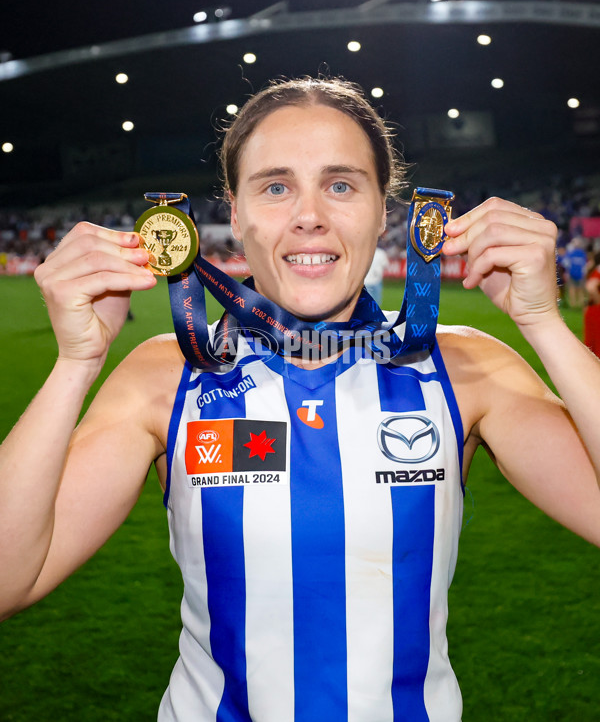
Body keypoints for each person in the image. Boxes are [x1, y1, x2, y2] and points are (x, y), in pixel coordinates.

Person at [1, 76, 599, 722]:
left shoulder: (462, 367)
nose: (309, 215)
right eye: (276, 186)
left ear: (383, 210)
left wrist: (544, 325)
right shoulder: (167, 377)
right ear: (234, 212)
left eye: (341, 185)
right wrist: (75, 363)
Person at [363, 239, 389, 306]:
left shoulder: (366, 252)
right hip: (369, 280)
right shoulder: (366, 252)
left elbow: (385, 265)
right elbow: (386, 265)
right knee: (375, 301)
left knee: (374, 301)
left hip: (373, 280)